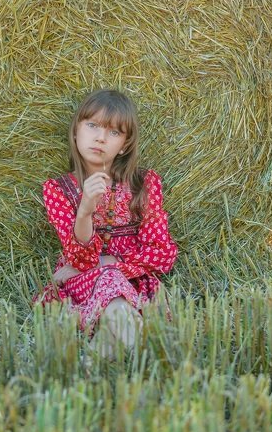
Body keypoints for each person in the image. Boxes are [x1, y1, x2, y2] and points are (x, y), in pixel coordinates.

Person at [31, 88, 178, 361]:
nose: (100, 137)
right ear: (76, 131)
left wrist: (109, 264)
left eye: (114, 132)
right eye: (92, 125)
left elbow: (161, 252)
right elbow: (81, 258)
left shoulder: (144, 185)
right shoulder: (58, 190)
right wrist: (85, 210)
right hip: (81, 286)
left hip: (134, 283)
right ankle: (151, 362)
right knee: (110, 285)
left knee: (112, 309)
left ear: (124, 144)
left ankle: (90, 371)